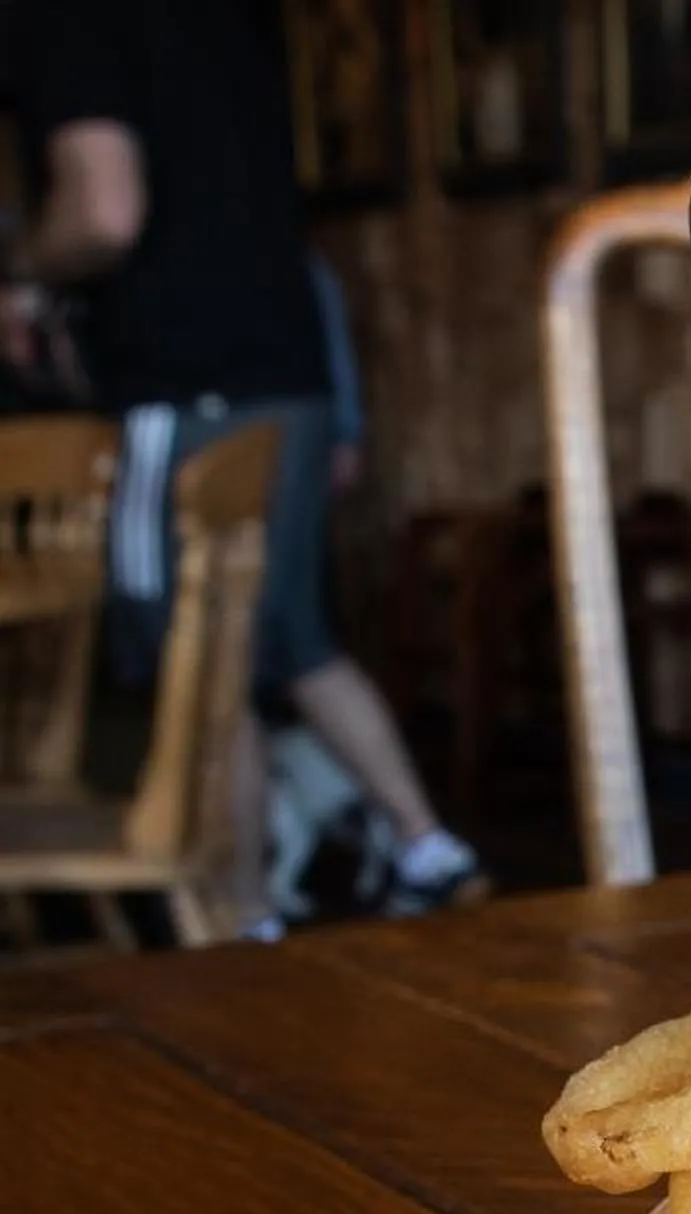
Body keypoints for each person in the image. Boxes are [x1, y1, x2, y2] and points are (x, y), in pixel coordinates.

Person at [2, 0, 485, 932]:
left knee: (199, 651)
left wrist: (23, 269)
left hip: (181, 388)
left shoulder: (72, 21)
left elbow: (102, 210)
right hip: (281, 372)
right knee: (291, 638)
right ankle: (425, 844)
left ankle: (240, 917)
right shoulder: (232, 22)